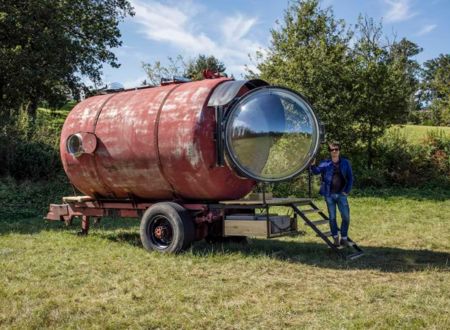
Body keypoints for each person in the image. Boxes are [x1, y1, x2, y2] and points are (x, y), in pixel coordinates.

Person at [311, 142, 354, 247]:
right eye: (332, 150)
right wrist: (312, 164)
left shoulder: (345, 163)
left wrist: (347, 191)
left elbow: (350, 178)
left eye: (336, 149)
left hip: (342, 194)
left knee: (346, 217)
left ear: (339, 150)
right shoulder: (325, 163)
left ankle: (344, 238)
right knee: (332, 218)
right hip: (329, 195)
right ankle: (335, 238)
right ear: (330, 152)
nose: (334, 151)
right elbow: (316, 172)